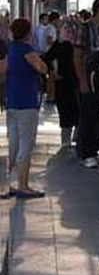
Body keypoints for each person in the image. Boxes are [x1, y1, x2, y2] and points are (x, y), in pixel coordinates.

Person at [1, 18, 49, 199]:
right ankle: (23, 185)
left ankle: (12, 183)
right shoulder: (26, 50)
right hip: (26, 102)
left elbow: (4, 69)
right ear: (28, 33)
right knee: (26, 144)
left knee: (13, 144)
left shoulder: (10, 49)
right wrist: (43, 64)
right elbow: (42, 68)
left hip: (12, 101)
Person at [74, 0, 99, 168]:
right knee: (87, 115)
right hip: (88, 78)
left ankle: (96, 149)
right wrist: (82, 80)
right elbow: (77, 56)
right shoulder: (84, 28)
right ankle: (87, 153)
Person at [42, 18, 80, 152]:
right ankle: (69, 141)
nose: (68, 32)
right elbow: (47, 58)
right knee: (70, 113)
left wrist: (52, 72)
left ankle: (70, 141)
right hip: (69, 83)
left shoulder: (67, 45)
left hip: (69, 83)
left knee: (71, 113)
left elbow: (47, 58)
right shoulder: (68, 45)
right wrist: (52, 72)